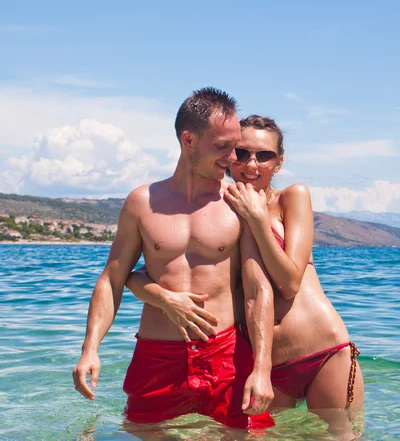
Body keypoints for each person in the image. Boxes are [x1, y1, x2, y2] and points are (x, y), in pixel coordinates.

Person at [126, 114, 364, 421]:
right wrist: (163, 298)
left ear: (278, 162)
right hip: (264, 364)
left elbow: (290, 282)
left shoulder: (292, 198)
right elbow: (144, 273)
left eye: (264, 156)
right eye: (242, 153)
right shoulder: (221, 210)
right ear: (227, 156)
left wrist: (257, 220)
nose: (252, 165)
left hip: (322, 352)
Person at [73, 89, 275, 431]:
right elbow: (113, 278)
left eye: (235, 145)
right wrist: (90, 349)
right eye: (223, 146)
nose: (233, 158)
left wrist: (262, 368)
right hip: (156, 358)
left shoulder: (238, 202)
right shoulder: (142, 202)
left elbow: (257, 289)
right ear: (188, 140)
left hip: (224, 356)